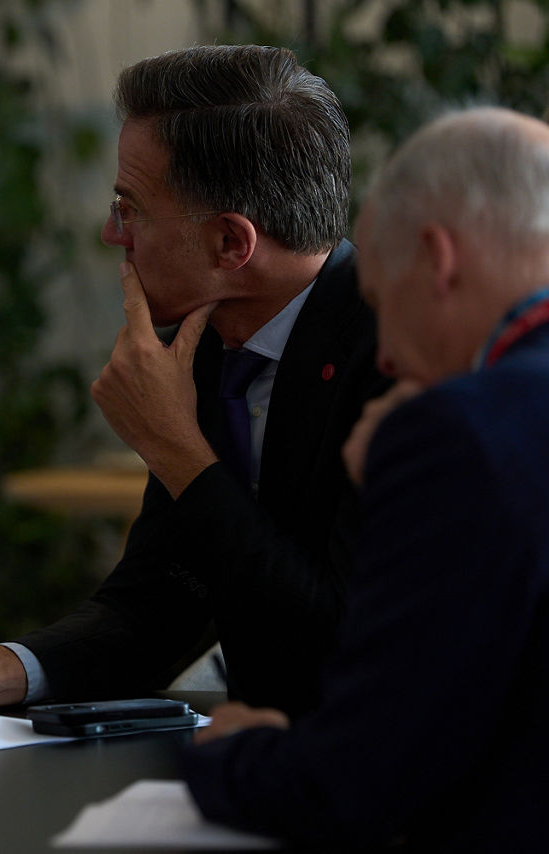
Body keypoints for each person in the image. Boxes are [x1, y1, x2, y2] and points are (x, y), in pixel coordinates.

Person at [0, 44, 387, 725]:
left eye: (130, 208)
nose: (109, 233)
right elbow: (156, 606)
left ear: (230, 244)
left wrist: (178, 449)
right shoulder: (206, 345)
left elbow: (334, 639)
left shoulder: (395, 356)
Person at [184, 106, 549, 851]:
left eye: (380, 303)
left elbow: (355, 784)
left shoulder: (462, 431)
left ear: (437, 259)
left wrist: (232, 751)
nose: (382, 356)